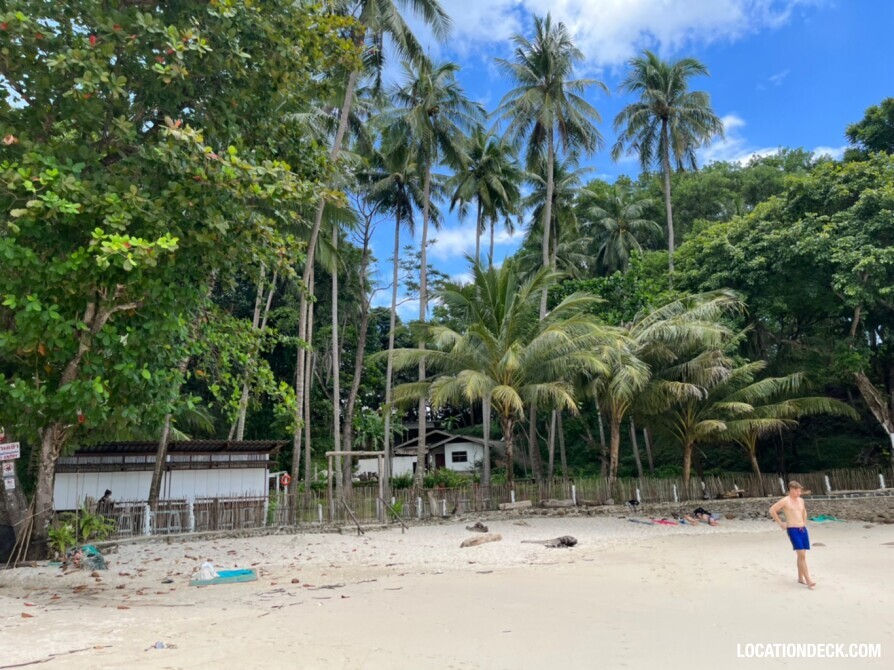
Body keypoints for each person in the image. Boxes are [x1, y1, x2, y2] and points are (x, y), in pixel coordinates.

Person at [769, 480, 815, 589]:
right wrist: (780, 523)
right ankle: (808, 580)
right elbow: (772, 510)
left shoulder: (801, 500)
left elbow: (804, 511)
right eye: (797, 491)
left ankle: (800, 577)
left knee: (802, 555)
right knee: (801, 554)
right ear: (791, 490)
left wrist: (804, 521)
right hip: (792, 529)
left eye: (800, 491)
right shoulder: (785, 501)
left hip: (802, 529)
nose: (799, 493)